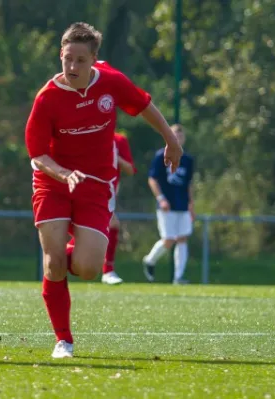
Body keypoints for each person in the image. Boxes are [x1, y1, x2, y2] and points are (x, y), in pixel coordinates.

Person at [24, 22, 183, 359]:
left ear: (94, 59)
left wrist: (170, 139)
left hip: (96, 184)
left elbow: (143, 106)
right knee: (53, 264)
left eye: (81, 60)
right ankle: (63, 340)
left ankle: (63, 258)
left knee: (88, 268)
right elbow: (37, 154)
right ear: (60, 56)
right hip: (53, 182)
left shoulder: (111, 82)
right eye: (67, 59)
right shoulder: (47, 98)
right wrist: (63, 173)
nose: (72, 67)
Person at [65, 132, 137, 285]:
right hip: (89, 191)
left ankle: (61, 257)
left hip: (108, 194)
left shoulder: (119, 140)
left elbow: (130, 169)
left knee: (93, 232)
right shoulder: (85, 134)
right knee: (112, 224)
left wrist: (114, 156)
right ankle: (107, 271)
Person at [142, 124, 194, 284]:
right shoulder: (161, 156)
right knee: (169, 240)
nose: (178, 138)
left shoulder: (188, 159)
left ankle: (178, 278)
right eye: (174, 135)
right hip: (167, 205)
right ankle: (149, 260)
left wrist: (191, 204)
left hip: (183, 204)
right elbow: (152, 179)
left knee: (183, 238)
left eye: (180, 136)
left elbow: (189, 184)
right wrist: (161, 198)